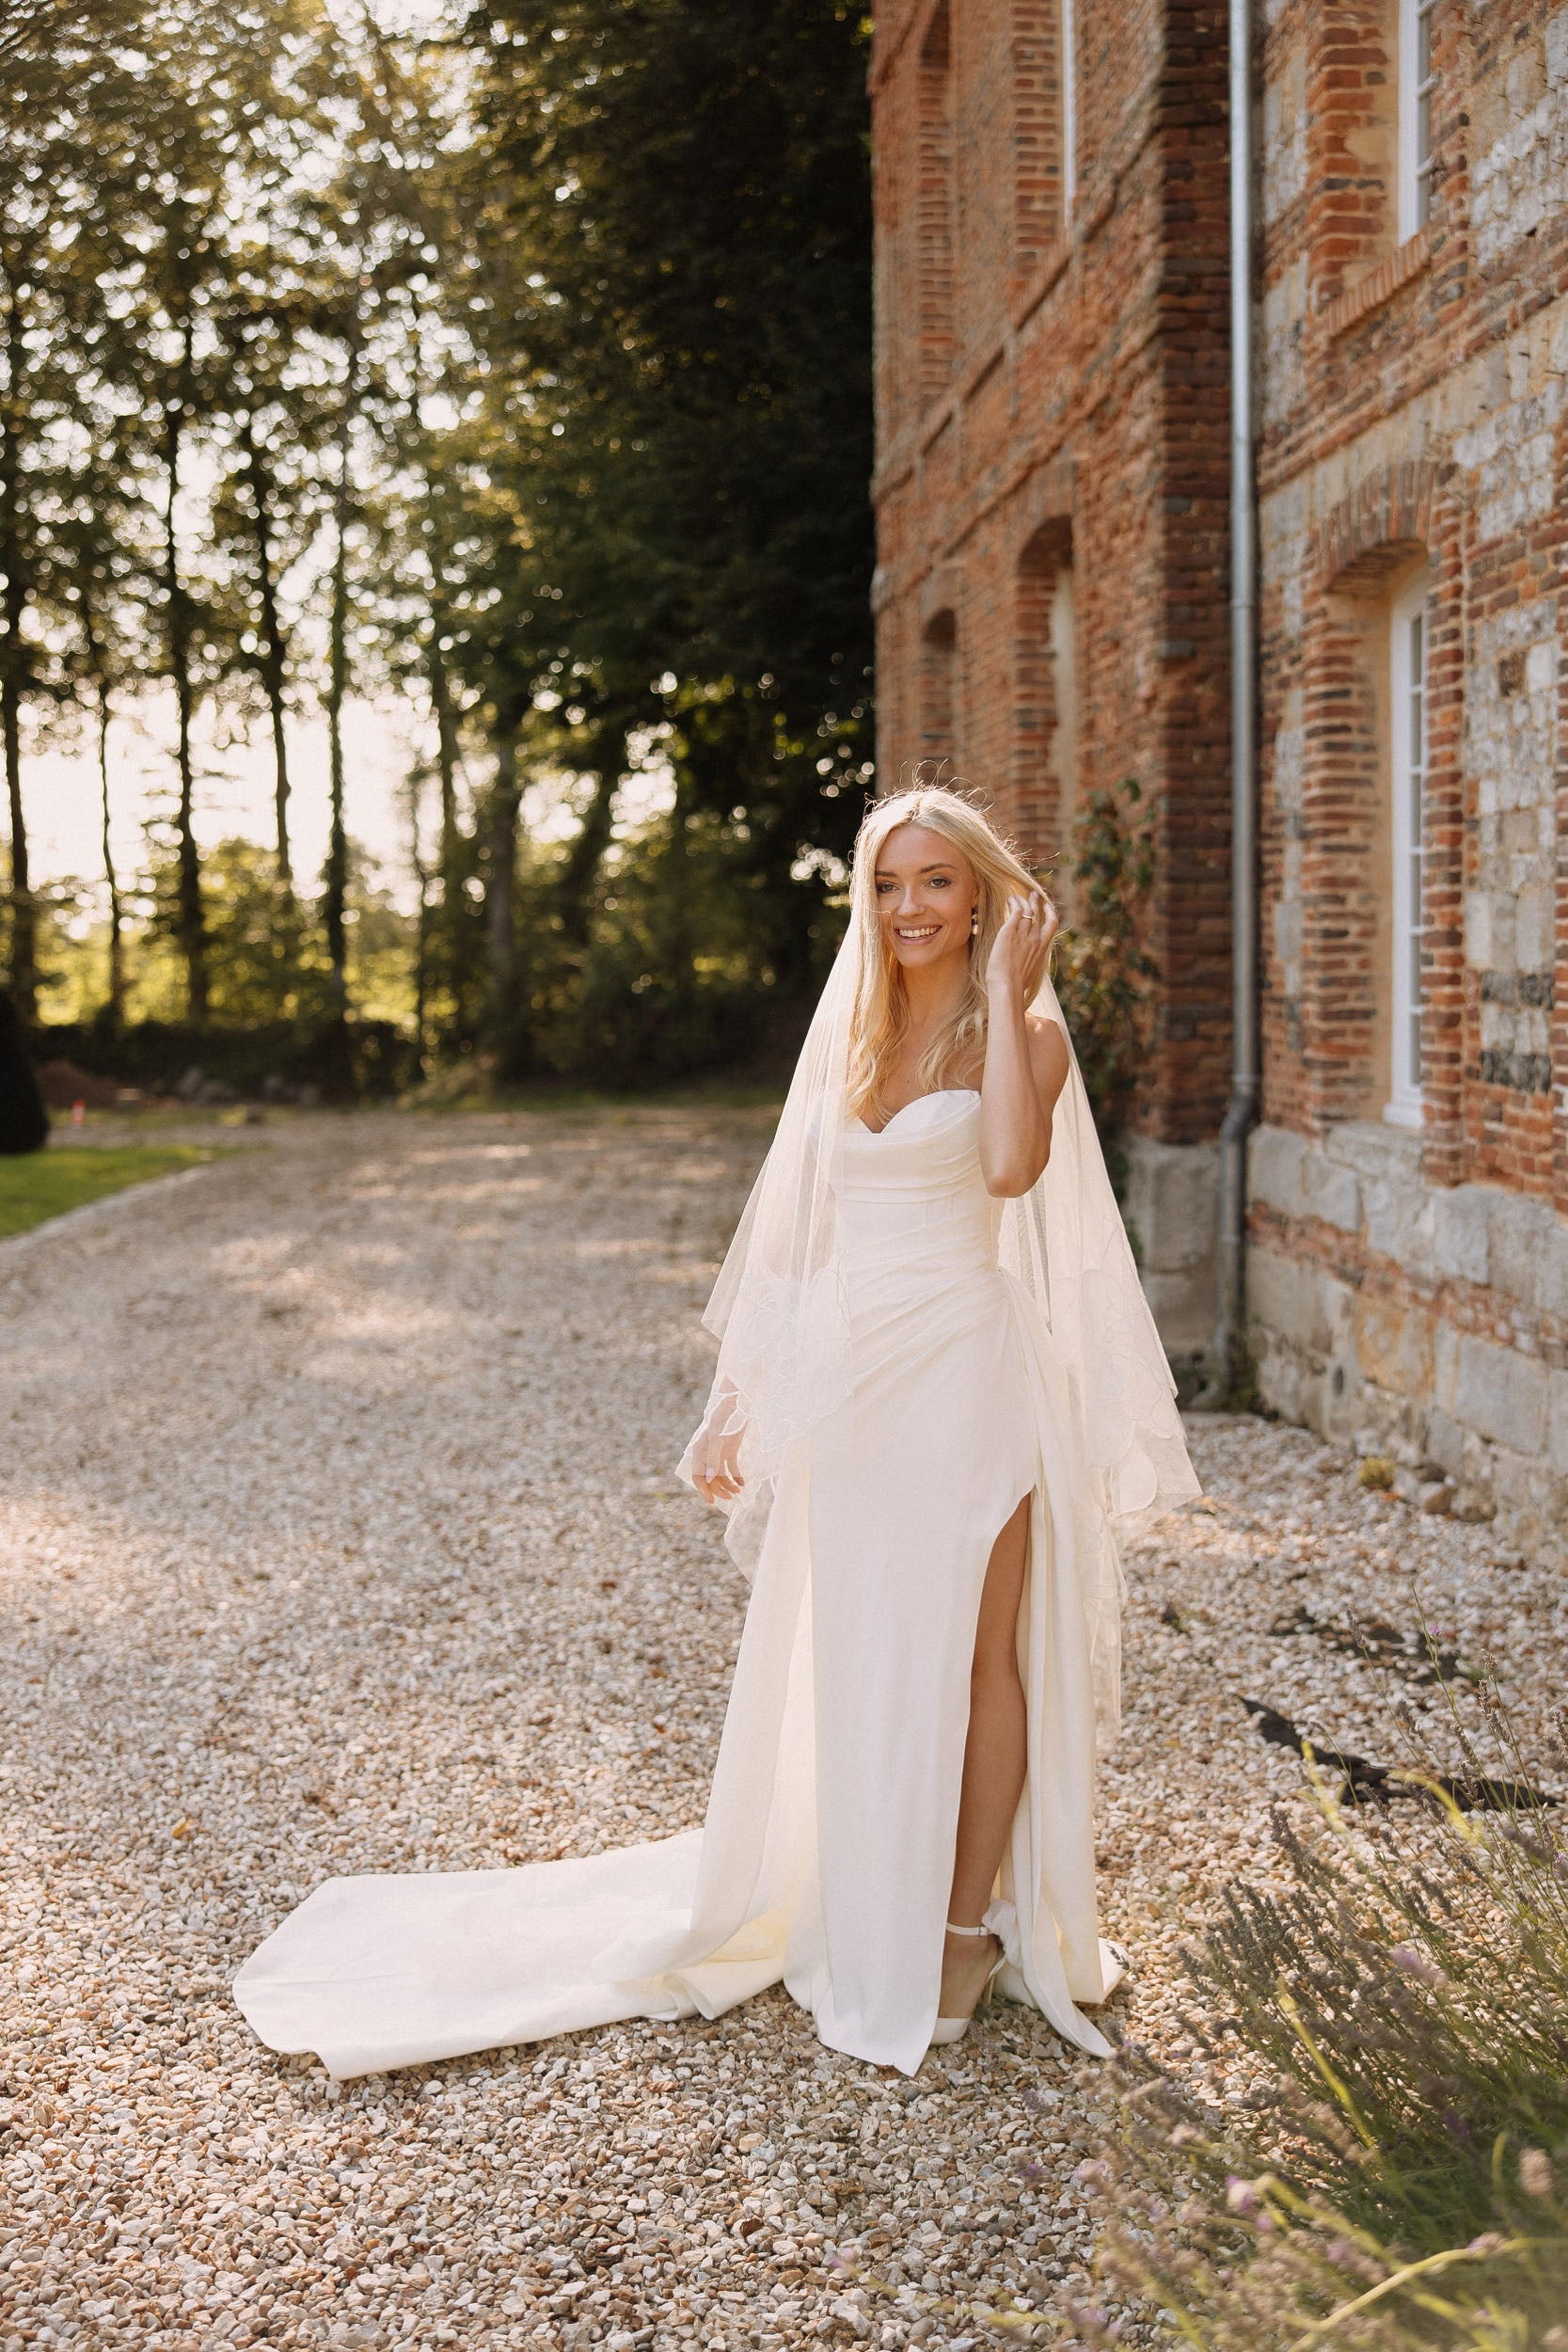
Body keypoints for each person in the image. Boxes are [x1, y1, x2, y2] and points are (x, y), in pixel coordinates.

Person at [234, 786, 1196, 2080]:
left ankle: (964, 1930)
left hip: (967, 1370)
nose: (909, 907)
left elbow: (1011, 1171)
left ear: (981, 896)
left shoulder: (1024, 1035)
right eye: (889, 884)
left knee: (982, 1659)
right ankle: (867, 1894)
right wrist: (735, 1399)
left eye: (936, 882)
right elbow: (800, 1238)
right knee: (858, 1648)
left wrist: (1013, 989)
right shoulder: (855, 1030)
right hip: (855, 1387)